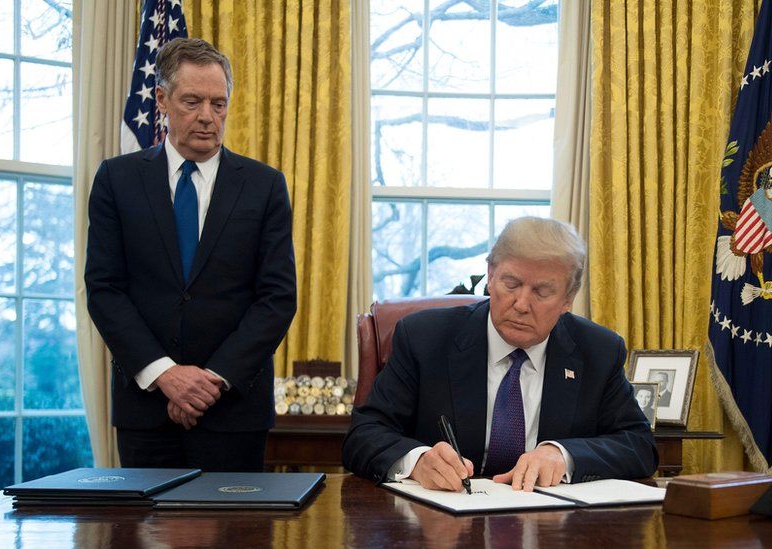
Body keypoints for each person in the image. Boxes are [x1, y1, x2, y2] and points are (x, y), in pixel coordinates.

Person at [85, 38, 297, 471]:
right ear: (161, 99)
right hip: (146, 411)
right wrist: (165, 375)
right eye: (192, 101)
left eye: (219, 104)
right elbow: (105, 290)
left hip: (234, 411)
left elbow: (277, 298)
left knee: (235, 538)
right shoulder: (116, 180)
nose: (207, 117)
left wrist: (211, 381)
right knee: (143, 538)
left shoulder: (265, 186)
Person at [343, 217, 658, 492]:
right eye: (511, 283)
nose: (521, 304)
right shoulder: (425, 338)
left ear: (568, 298)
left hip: (552, 527)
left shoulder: (598, 352)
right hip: (442, 526)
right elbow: (364, 434)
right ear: (490, 276)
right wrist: (418, 461)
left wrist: (563, 455)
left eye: (542, 292)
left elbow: (639, 445)